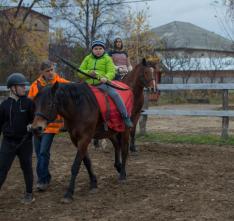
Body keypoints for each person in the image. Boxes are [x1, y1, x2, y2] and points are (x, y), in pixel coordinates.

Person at [28, 60, 69, 191]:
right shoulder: (35, 85)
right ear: (42, 72)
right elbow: (30, 105)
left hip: (52, 125)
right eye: (47, 71)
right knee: (39, 152)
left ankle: (42, 180)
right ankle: (46, 176)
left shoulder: (61, 83)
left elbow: (75, 90)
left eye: (52, 69)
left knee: (43, 152)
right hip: (37, 124)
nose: (51, 73)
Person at [79, 40, 133, 128]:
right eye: (96, 49)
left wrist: (106, 78)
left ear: (103, 50)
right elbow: (79, 72)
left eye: (100, 48)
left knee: (115, 94)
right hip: (87, 85)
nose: (98, 50)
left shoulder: (107, 59)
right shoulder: (87, 58)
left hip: (102, 84)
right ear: (92, 50)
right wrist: (88, 73)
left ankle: (125, 116)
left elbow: (111, 72)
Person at [0, 73, 35, 204]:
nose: (24, 88)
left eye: (24, 86)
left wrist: (32, 125)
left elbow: (35, 121)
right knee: (2, 168)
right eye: (21, 86)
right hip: (8, 142)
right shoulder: (4, 105)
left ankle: (29, 193)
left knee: (26, 167)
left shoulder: (29, 103)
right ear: (12, 88)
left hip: (25, 141)